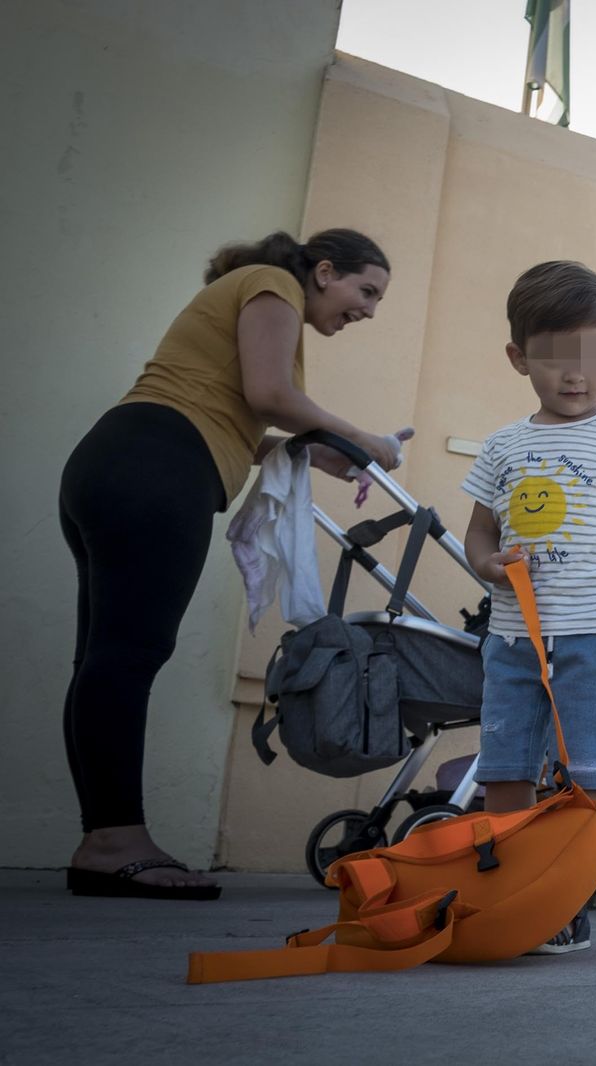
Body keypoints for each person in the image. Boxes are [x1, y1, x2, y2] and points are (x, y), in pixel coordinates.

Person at [61, 228, 407, 900]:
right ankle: (112, 841)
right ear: (324, 270)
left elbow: (233, 415)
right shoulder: (273, 284)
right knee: (128, 657)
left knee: (106, 659)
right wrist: (358, 436)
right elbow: (269, 393)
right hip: (156, 466)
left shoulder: (254, 296)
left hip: (123, 460)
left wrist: (312, 452)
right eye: (366, 291)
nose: (368, 310)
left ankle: (104, 836)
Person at [461, 261, 596, 953]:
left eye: (592, 357)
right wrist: (484, 562)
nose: (576, 375)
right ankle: (509, 890)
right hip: (515, 637)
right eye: (555, 358)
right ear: (520, 357)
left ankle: (568, 899)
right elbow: (481, 530)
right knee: (505, 767)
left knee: (591, 774)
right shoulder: (504, 445)